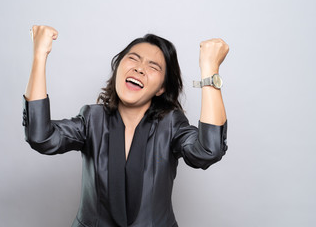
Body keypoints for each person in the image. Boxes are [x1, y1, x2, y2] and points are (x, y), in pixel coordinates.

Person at [22, 25, 229, 227]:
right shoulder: (92, 119)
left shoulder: (171, 124)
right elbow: (41, 137)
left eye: (153, 66)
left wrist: (209, 71)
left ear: (161, 88)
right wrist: (40, 55)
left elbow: (208, 150)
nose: (139, 68)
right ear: (118, 67)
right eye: (133, 58)